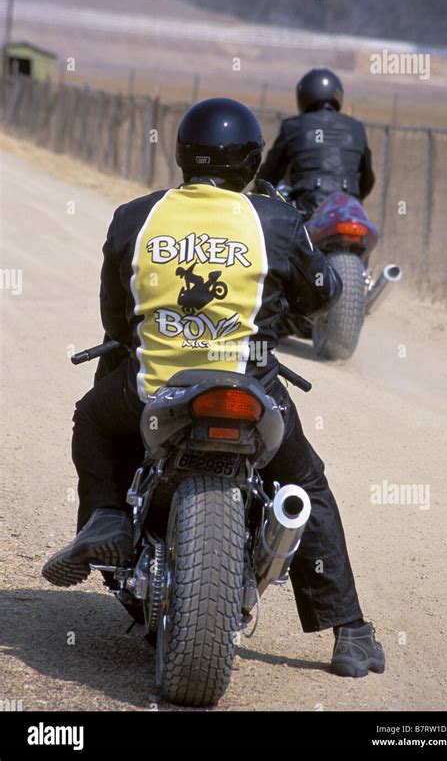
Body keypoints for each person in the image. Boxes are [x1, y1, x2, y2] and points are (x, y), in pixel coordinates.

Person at [42, 97, 384, 678]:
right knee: (304, 481)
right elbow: (323, 291)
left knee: (93, 416)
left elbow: (117, 318)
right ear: (252, 160)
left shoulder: (135, 216)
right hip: (250, 385)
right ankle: (349, 633)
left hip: (155, 385)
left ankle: (105, 516)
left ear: (181, 156)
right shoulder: (274, 219)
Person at [257, 68, 375, 220]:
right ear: (338, 95)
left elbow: (271, 172)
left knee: (281, 236)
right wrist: (354, 198)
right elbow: (367, 179)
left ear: (303, 95)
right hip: (349, 211)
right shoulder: (356, 128)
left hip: (308, 209)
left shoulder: (293, 126)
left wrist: (258, 191)